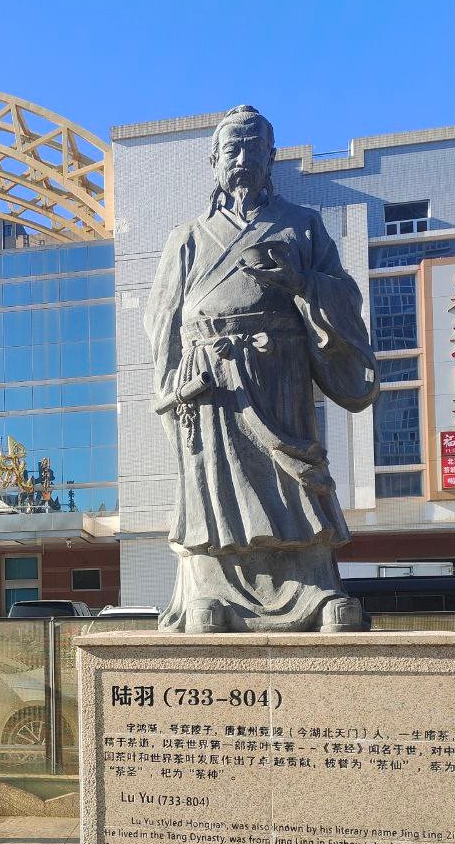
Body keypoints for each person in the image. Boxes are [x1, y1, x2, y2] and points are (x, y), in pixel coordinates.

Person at [144, 104, 378, 634]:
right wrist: (175, 387)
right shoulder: (188, 237)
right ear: (214, 160)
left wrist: (301, 284)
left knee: (294, 479)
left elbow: (343, 293)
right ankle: (209, 588)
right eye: (232, 148)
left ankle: (316, 588)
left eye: (254, 148)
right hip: (211, 384)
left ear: (270, 157)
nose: (242, 158)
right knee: (214, 489)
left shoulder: (302, 225)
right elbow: (163, 323)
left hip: (280, 373)